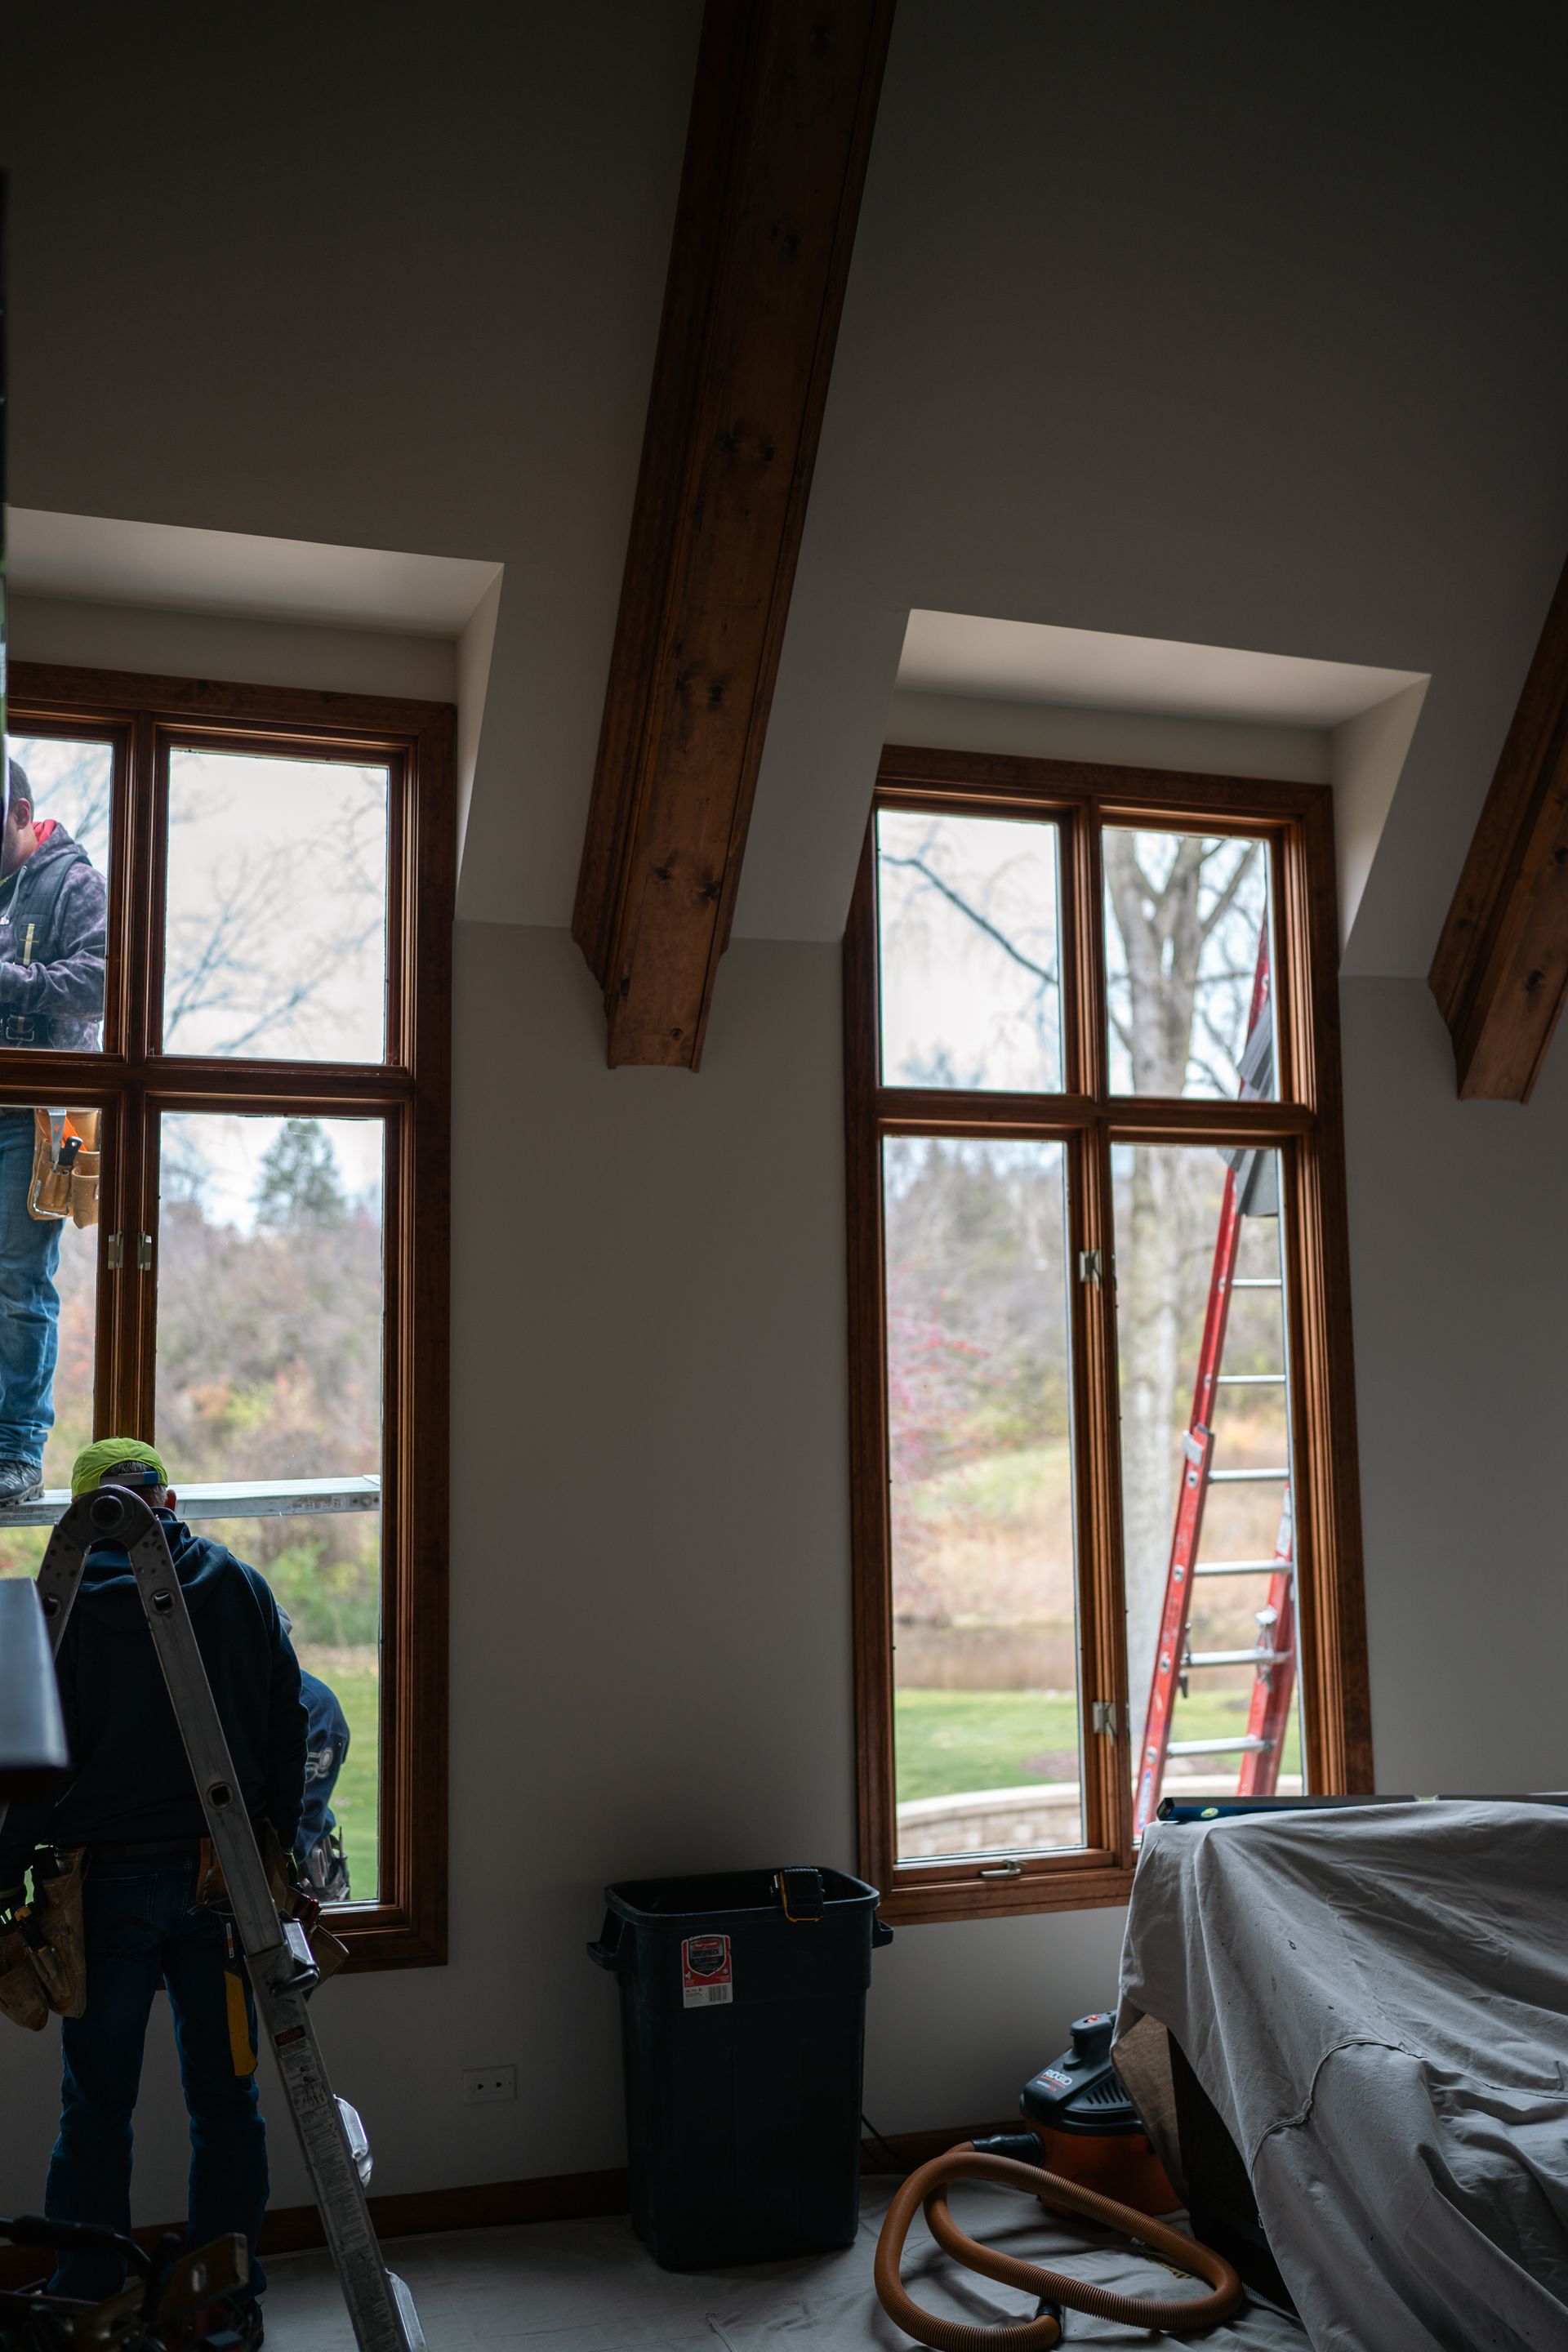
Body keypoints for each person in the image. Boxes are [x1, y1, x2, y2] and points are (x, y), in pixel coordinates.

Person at [0, 1437, 306, 2319]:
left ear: (79, 1516)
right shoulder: (240, 1588)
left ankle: (85, 2292)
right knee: (229, 2101)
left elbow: (27, 1776)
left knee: (95, 2107)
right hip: (226, 1893)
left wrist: (4, 1874)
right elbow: (287, 1725)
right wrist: (275, 1850)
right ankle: (223, 2299)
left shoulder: (51, 1612)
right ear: (166, 1500)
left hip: (101, 1901)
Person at [0, 757, 109, 1505]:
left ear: (22, 813)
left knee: (20, 1283)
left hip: (47, 1115)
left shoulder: (76, 883)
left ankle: (15, 1450)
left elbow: (104, 983)